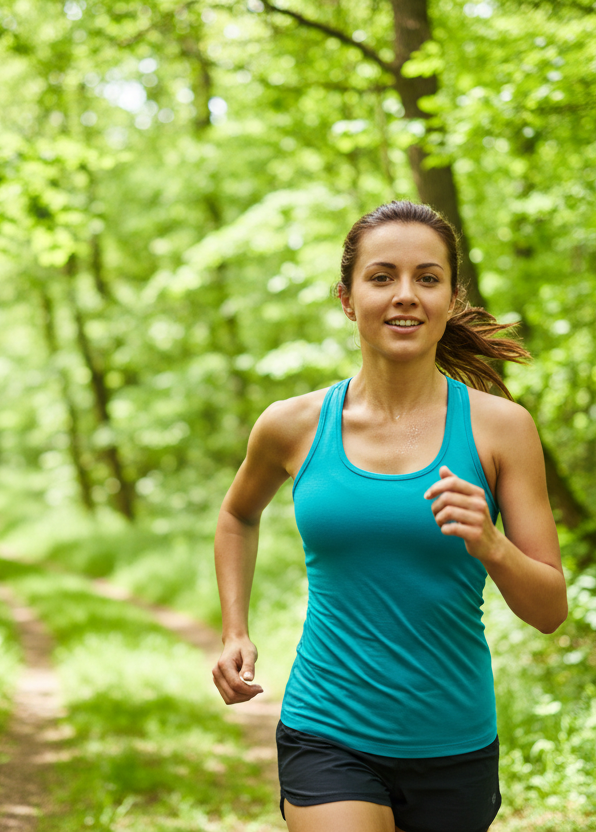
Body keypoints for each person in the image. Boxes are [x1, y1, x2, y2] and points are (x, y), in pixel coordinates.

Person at [211, 200, 568, 832]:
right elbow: (238, 515)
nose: (405, 295)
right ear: (348, 298)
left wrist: (491, 544)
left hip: (453, 741)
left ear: (452, 299)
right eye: (382, 277)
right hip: (328, 730)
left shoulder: (501, 430)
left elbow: (548, 610)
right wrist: (234, 630)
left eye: (427, 278)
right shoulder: (293, 425)